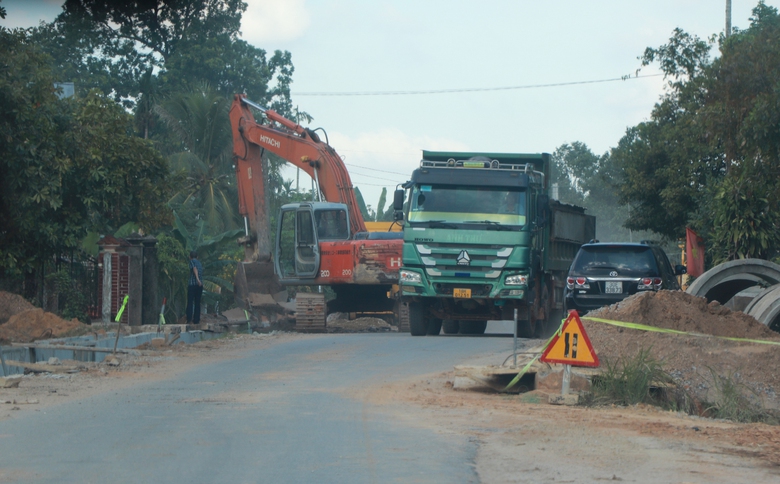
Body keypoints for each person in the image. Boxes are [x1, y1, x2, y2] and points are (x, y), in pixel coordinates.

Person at [186, 250, 204, 325]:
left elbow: (194, 269)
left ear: (190, 257)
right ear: (197, 257)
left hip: (193, 284)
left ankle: (189, 319)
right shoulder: (199, 263)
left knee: (190, 301)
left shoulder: (192, 261)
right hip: (199, 286)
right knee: (197, 302)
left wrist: (197, 279)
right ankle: (196, 320)